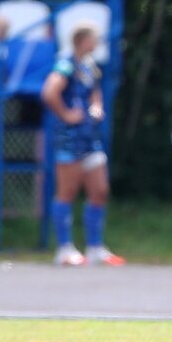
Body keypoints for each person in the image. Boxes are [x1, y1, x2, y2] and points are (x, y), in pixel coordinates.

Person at [42, 22, 125, 267]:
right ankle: (65, 248)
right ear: (81, 40)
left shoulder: (89, 66)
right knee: (66, 192)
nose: (97, 43)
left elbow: (94, 92)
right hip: (70, 139)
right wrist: (66, 114)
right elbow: (50, 92)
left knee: (99, 190)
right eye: (93, 38)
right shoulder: (66, 64)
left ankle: (95, 247)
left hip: (90, 137)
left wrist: (96, 107)